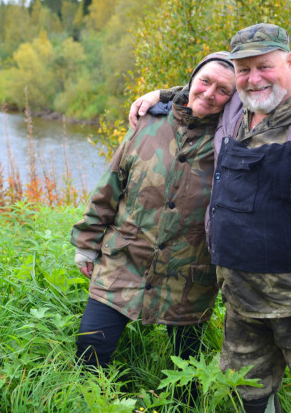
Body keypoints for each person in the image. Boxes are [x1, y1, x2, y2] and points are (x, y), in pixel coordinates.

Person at [131, 23, 291, 413]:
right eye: (244, 69)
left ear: (289, 62)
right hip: (243, 296)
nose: (254, 78)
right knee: (246, 394)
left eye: (264, 66)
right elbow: (204, 90)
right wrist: (162, 96)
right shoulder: (236, 101)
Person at [70, 52, 236, 381]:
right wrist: (86, 244)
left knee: (186, 380)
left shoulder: (232, 141)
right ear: (191, 81)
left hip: (190, 278)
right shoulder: (149, 123)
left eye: (223, 90)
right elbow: (110, 185)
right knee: (89, 357)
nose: (209, 93)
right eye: (204, 81)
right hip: (123, 263)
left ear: (235, 99)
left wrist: (162, 92)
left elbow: (277, 82)